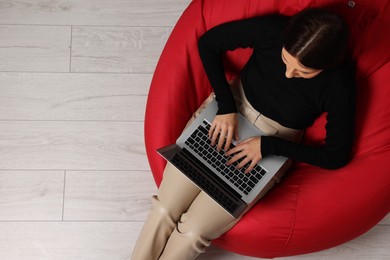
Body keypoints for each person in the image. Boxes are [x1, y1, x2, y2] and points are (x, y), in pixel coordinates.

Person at [132, 7, 355, 260]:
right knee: (163, 210)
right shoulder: (273, 30)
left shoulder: (339, 85)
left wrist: (269, 146)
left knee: (193, 232)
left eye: (303, 73)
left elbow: (336, 156)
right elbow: (208, 43)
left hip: (272, 142)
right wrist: (225, 107)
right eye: (285, 61)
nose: (288, 74)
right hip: (230, 111)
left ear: (327, 66)